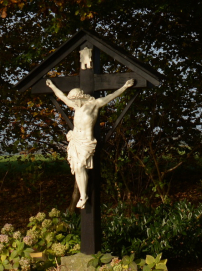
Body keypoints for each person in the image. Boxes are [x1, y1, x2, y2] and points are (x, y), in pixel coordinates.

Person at [45, 77, 135, 209]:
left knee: (80, 165)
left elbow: (110, 96)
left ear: (81, 97)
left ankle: (83, 196)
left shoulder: (94, 104)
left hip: (86, 141)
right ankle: (83, 196)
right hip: (76, 140)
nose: (74, 103)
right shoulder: (76, 106)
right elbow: (63, 98)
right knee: (77, 168)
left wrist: (124, 87)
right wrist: (52, 86)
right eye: (73, 101)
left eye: (75, 100)